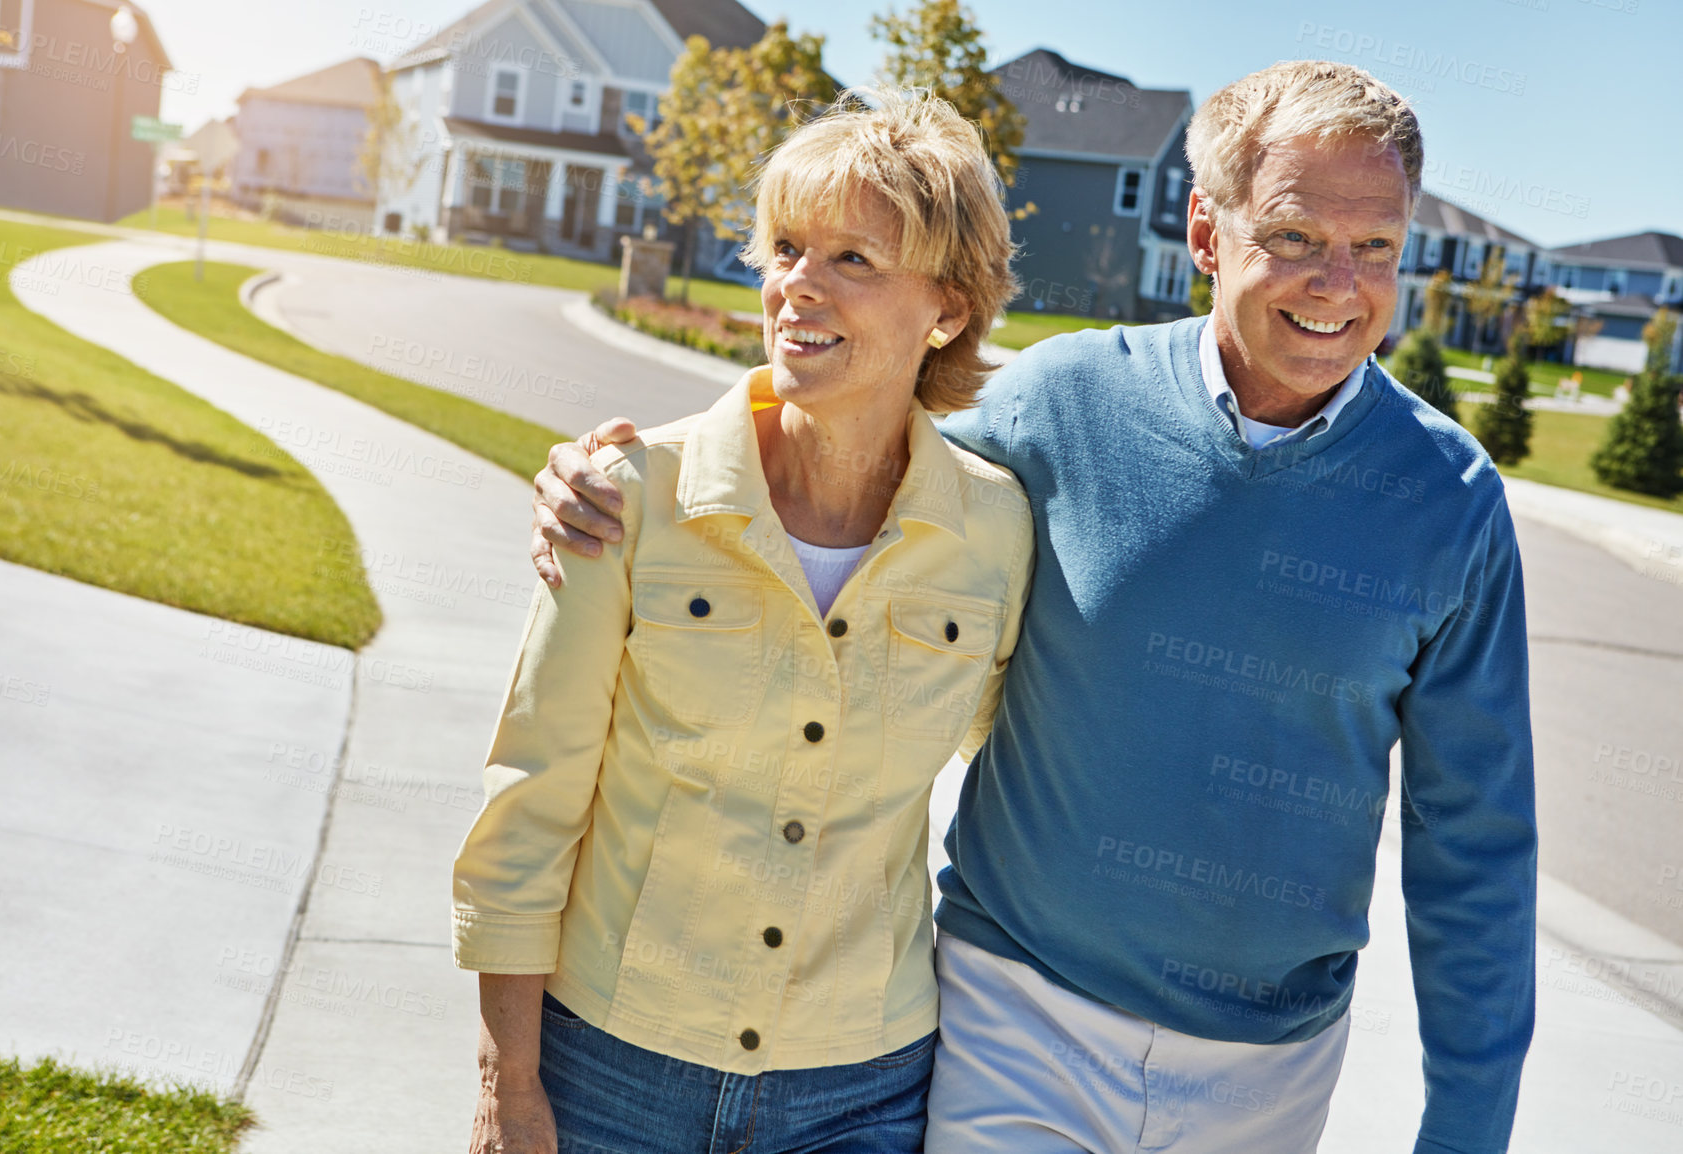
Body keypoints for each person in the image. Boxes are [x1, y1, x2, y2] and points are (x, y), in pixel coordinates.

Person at [531, 60, 1538, 1154]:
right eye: (1293, 236)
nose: (1337, 282)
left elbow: (1474, 847)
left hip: (1270, 1065)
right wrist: (628, 480)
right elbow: (852, 441)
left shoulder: (1450, 501)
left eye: (1375, 246)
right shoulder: (1060, 403)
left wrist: (1467, 1130)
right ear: (1206, 232)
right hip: (1018, 1010)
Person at [453, 89, 1033, 1154]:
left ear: (946, 310)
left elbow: (1040, 760)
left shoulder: (997, 530)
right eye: (785, 248)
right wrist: (507, 1080)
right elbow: (532, 798)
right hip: (609, 1066)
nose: (794, 286)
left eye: (852, 259)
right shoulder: (625, 493)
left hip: (861, 1086)